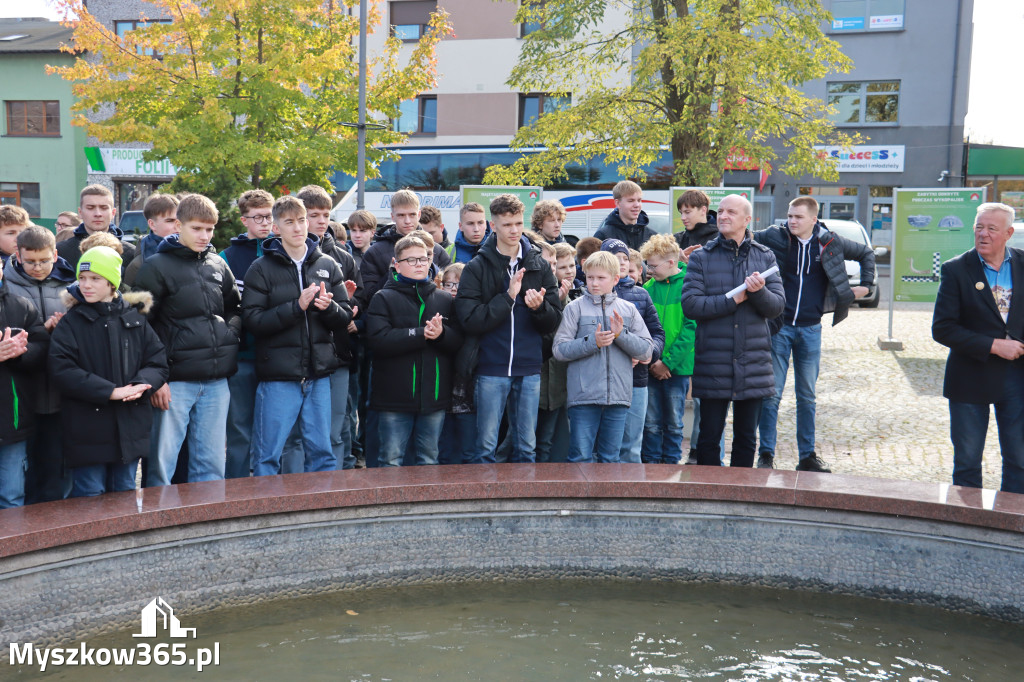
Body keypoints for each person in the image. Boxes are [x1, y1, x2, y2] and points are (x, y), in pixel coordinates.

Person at [753, 196, 875, 473]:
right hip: (779, 327)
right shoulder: (775, 236)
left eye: (798, 217)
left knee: (807, 396)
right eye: (789, 216)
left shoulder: (830, 242)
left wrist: (865, 286)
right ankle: (766, 455)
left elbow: (867, 254)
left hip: (811, 329)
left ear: (813, 220)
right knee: (771, 395)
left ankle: (807, 457)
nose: (791, 221)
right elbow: (744, 236)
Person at [135, 194, 241, 487]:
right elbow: (138, 325)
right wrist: (156, 378)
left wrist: (229, 335)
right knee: (160, 467)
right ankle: (157, 529)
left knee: (211, 466)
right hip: (174, 382)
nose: (204, 236)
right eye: (197, 228)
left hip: (216, 380)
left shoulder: (219, 264)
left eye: (209, 229)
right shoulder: (155, 267)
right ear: (178, 225)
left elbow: (234, 308)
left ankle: (207, 528)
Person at [242, 195, 353, 476]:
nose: (298, 228)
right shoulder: (261, 268)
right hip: (279, 377)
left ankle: (323, 514)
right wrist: (296, 307)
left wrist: (328, 309)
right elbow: (253, 321)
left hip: (319, 376)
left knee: (323, 453)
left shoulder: (327, 264)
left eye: (302, 220)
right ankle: (267, 515)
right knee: (268, 455)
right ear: (277, 228)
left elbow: (345, 317)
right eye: (289, 222)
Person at [48, 246, 168, 497]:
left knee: (124, 492)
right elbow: (62, 370)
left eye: (95, 279)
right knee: (90, 493)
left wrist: (141, 385)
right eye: (82, 278)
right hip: (87, 430)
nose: (86, 285)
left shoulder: (135, 319)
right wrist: (109, 392)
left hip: (130, 428)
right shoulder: (71, 322)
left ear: (113, 283)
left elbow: (157, 362)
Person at [454, 193, 561, 463]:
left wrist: (539, 309)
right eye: (506, 224)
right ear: (493, 226)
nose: (514, 230)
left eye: (517, 223)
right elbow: (470, 320)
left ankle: (526, 503)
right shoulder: (476, 267)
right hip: (491, 368)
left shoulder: (538, 263)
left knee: (527, 448)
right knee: (486, 447)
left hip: (529, 368)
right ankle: (486, 503)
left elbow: (553, 321)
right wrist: (508, 298)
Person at [682, 194, 785, 468]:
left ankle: (741, 497)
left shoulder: (765, 257)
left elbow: (776, 307)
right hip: (713, 362)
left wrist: (758, 292)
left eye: (731, 212)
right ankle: (706, 496)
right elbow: (691, 305)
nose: (723, 216)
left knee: (746, 439)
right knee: (708, 438)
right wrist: (733, 300)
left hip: (753, 364)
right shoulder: (702, 257)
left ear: (748, 220)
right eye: (721, 211)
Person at [932, 202, 1024, 494]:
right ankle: (968, 529)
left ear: (1008, 233)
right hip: (970, 378)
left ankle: (1011, 526)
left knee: (1020, 459)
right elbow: (943, 328)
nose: (983, 234)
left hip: (1017, 378)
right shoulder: (956, 269)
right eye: (979, 228)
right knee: (968, 461)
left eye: (991, 229)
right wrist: (994, 345)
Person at [366, 235, 463, 466]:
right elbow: (378, 341)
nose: (420, 264)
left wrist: (441, 335)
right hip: (394, 399)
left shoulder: (443, 298)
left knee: (429, 460)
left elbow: (458, 341)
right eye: (412, 260)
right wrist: (420, 334)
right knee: (391, 460)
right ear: (396, 264)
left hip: (434, 397)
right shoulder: (383, 297)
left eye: (423, 259)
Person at [554, 251, 653, 462]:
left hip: (618, 397)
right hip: (583, 397)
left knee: (611, 458)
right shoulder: (574, 309)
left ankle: (608, 497)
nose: (594, 283)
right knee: (580, 457)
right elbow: (560, 350)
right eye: (590, 278)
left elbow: (646, 351)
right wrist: (592, 342)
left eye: (601, 278)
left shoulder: (629, 310)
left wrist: (621, 335)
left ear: (615, 279)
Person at [4, 227, 76, 503]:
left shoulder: (70, 286)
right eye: (30, 261)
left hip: (61, 393)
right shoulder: (8, 289)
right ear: (18, 256)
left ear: (55, 255)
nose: (37, 267)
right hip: (23, 395)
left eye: (44, 261)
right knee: (23, 468)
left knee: (57, 464)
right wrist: (41, 332)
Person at [297, 184, 362, 469]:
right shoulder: (287, 255)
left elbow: (356, 302)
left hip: (337, 352)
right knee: (299, 435)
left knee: (337, 427)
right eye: (314, 214)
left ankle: (335, 486)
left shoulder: (343, 256)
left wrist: (350, 307)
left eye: (326, 214)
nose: (322, 221)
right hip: (299, 355)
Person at [219, 189, 274, 479]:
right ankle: (237, 488)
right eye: (258, 217)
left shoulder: (282, 251)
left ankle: (271, 491)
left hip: (278, 355)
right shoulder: (226, 257)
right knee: (239, 428)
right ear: (244, 220)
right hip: (241, 355)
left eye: (270, 215)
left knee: (273, 430)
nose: (266, 222)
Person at [601, 239, 664, 463]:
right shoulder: (590, 294)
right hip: (602, 382)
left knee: (631, 447)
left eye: (625, 258)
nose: (622, 263)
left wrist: (647, 354)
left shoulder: (641, 295)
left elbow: (657, 334)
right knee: (605, 448)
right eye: (615, 258)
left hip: (636, 381)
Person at [640, 234, 695, 464]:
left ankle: (671, 464)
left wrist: (667, 362)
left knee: (674, 422)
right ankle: (651, 464)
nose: (649, 270)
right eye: (647, 265)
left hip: (677, 369)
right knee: (651, 422)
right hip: (650, 366)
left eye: (653, 266)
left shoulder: (688, 287)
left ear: (671, 263)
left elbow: (690, 329)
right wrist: (653, 361)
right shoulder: (647, 289)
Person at [0, 256, 49, 508]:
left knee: (12, 496)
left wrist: (20, 353)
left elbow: (41, 348)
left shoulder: (20, 305)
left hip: (12, 420)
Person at [361, 189, 451, 300]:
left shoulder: (437, 250)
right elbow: (369, 297)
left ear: (419, 215)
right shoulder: (374, 252)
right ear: (392, 216)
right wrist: (393, 273)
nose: (407, 221)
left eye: (412, 215)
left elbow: (449, 290)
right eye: (401, 215)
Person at [437, 263, 478, 464]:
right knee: (444, 451)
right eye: (448, 284)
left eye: (458, 284)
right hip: (442, 396)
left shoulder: (472, 315)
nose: (453, 289)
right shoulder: (436, 311)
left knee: (469, 452)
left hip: (467, 395)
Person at [56, 185, 136, 270]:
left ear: (113, 213)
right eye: (90, 208)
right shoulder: (61, 252)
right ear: (80, 212)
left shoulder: (130, 254)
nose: (98, 213)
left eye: (103, 208)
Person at [123, 193, 180, 287]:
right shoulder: (139, 264)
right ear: (152, 224)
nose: (177, 226)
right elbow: (130, 299)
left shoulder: (193, 252)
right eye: (170, 221)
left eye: (179, 220)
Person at [593, 180, 656, 250]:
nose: (637, 205)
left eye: (639, 200)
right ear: (617, 203)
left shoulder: (652, 236)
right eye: (631, 201)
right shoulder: (603, 236)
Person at [674, 189, 719, 253]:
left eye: (687, 212)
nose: (682, 218)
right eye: (681, 213)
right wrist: (678, 261)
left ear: (703, 210)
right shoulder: (676, 240)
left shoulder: (720, 239)